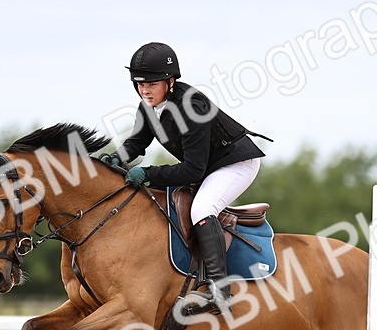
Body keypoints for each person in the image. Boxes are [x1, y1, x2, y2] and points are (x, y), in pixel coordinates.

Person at [101, 42, 267, 311]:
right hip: (209, 165)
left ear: (170, 82)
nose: (145, 90)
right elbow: (137, 143)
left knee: (202, 209)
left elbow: (193, 170)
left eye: (152, 84)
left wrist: (148, 174)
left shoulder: (191, 108)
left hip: (235, 164)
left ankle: (220, 292)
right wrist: (115, 158)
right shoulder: (149, 106)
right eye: (140, 84)